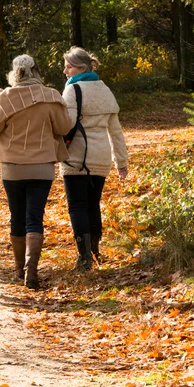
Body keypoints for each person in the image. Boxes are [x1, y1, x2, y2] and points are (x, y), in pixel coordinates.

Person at [0, 55, 73, 290]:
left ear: (14, 72)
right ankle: (32, 271)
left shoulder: (3, 98)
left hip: (12, 167)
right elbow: (64, 128)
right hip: (42, 167)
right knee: (34, 217)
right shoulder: (51, 96)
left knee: (16, 216)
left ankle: (19, 270)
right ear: (37, 71)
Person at [60, 46, 129, 271]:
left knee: (77, 205)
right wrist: (121, 163)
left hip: (76, 157)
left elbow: (66, 125)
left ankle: (84, 257)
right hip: (100, 158)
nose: (65, 71)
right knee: (92, 204)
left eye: (68, 66)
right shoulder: (105, 90)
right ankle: (95, 251)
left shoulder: (72, 90)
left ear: (81, 68)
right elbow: (115, 132)